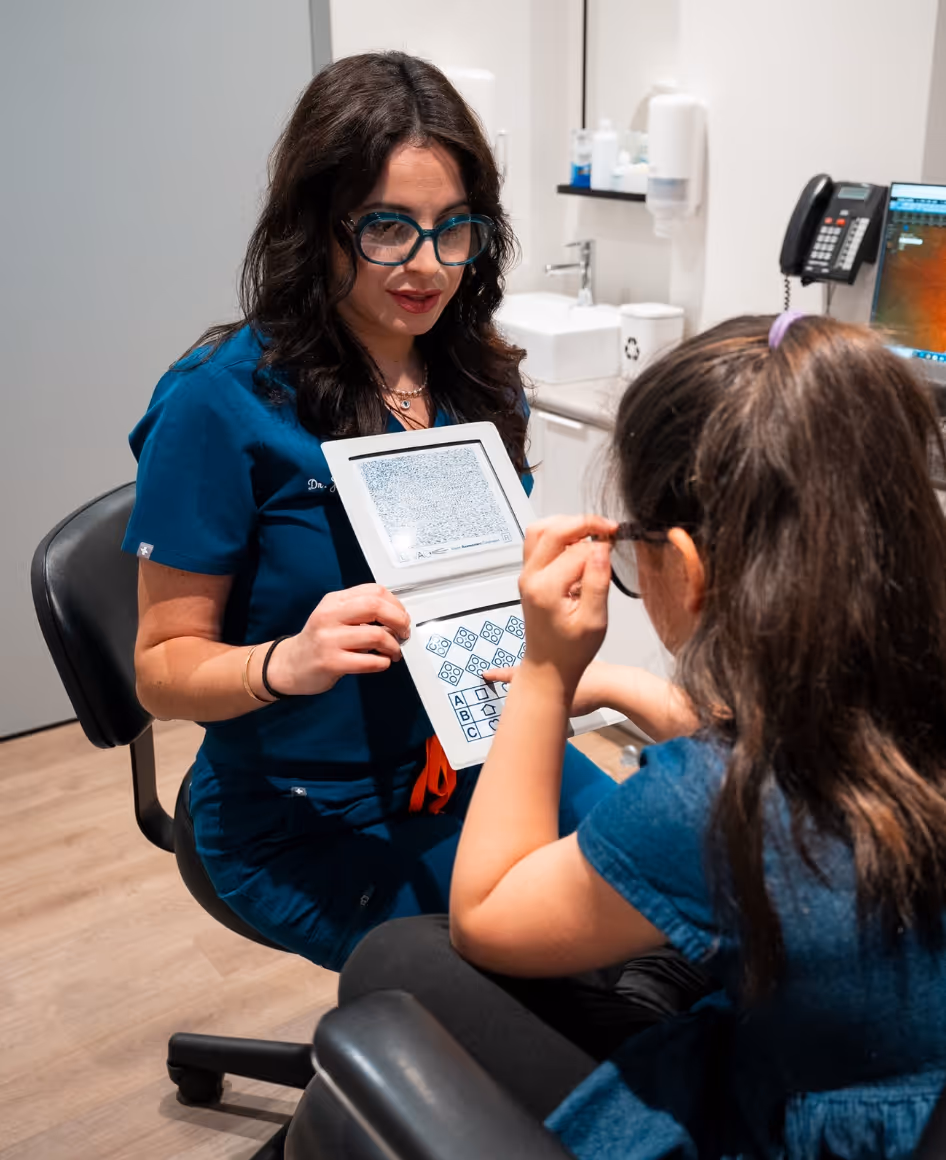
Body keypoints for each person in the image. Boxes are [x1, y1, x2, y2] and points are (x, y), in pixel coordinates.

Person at [340, 313, 946, 1158]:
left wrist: (546, 671)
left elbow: (485, 913)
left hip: (813, 1123)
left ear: (688, 570)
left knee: (399, 964)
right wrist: (625, 687)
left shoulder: (708, 807)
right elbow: (810, 746)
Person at [121, 51, 627, 973]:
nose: (427, 265)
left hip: (480, 756)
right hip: (307, 813)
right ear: (317, 224)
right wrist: (285, 662)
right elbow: (161, 670)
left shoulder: (478, 379)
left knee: (677, 905)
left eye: (454, 228)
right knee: (568, 977)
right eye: (388, 227)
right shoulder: (220, 404)